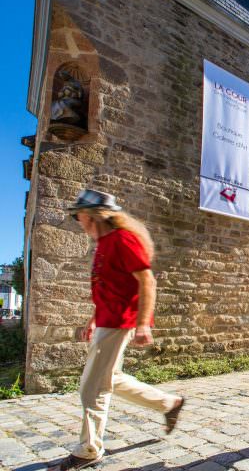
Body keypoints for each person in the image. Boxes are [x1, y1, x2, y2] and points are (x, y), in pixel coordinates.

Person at [55, 189, 184, 471]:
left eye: (79, 216)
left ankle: (89, 449)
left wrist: (142, 323)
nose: (78, 221)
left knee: (91, 388)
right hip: (106, 320)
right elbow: (108, 287)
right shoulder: (104, 242)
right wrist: (93, 318)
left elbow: (147, 281)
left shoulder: (122, 240)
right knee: (111, 379)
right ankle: (169, 403)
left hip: (119, 322)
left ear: (91, 216)